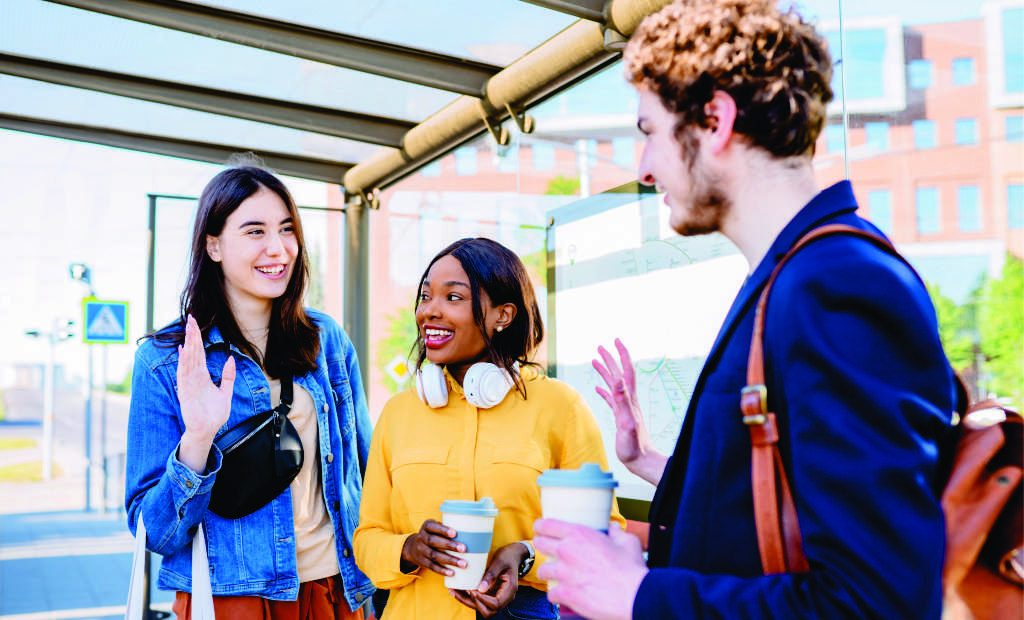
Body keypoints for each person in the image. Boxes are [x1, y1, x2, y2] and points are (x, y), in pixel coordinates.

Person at [532, 1, 958, 619]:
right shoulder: (794, 279)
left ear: (715, 119)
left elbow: (878, 602)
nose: (645, 169)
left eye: (649, 132)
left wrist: (639, 596)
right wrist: (649, 478)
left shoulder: (836, 286)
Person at [124, 165, 375, 619]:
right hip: (229, 600)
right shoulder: (165, 361)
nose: (277, 249)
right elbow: (155, 532)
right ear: (213, 245)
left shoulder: (326, 340)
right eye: (254, 231)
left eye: (287, 230)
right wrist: (198, 439)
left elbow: (367, 469)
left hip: (335, 590)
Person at [353, 237, 625, 619]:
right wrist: (409, 549)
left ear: (503, 315)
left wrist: (526, 555)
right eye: (426, 296)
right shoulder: (399, 413)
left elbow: (603, 532)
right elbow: (367, 539)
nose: (429, 311)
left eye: (453, 298)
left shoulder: (560, 407)